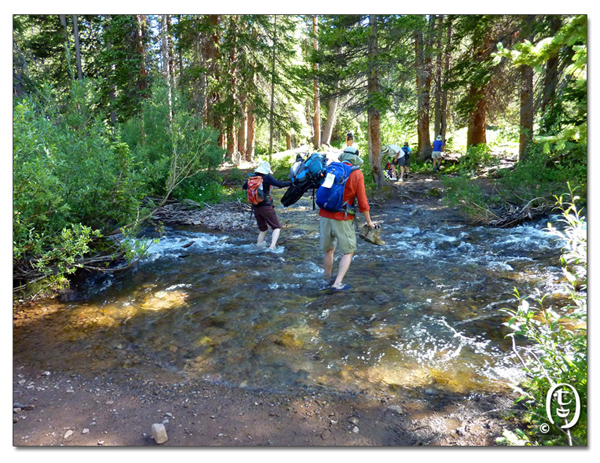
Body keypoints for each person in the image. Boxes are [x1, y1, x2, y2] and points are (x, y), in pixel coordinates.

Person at [319, 147, 376, 290]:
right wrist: (369, 222)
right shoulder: (356, 173)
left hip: (325, 215)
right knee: (348, 251)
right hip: (342, 217)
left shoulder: (331, 168)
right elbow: (363, 203)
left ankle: (327, 278)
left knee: (329, 249)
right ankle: (337, 283)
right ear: (356, 158)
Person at [243, 160, 291, 249]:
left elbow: (244, 187)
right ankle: (272, 247)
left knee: (263, 229)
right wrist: (291, 183)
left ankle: (259, 245)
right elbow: (279, 185)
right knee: (277, 227)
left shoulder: (253, 178)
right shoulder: (266, 177)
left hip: (256, 207)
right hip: (266, 206)